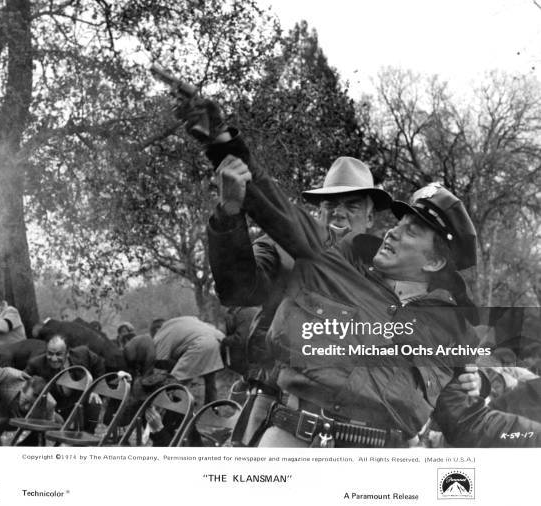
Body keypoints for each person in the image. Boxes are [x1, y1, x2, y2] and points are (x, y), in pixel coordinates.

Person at [182, 101, 481, 447]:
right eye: (329, 206)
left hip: (365, 437)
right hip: (280, 404)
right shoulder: (282, 247)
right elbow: (237, 289)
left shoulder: (389, 273)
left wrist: (474, 380)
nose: (338, 216)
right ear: (316, 212)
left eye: (351, 206)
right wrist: (230, 211)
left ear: (371, 218)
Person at [25, 335, 104, 430]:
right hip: (56, 408)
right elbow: (23, 380)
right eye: (50, 354)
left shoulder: (83, 353)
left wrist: (94, 389)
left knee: (94, 402)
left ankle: (87, 436)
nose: (54, 359)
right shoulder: (36, 363)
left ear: (67, 353)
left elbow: (99, 364)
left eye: (58, 354)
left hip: (79, 401)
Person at [153, 316, 225, 404]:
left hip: (201, 344)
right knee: (210, 380)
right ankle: (211, 408)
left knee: (176, 380)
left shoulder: (162, 333)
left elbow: (159, 360)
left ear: (157, 329)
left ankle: (175, 407)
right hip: (218, 339)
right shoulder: (181, 323)